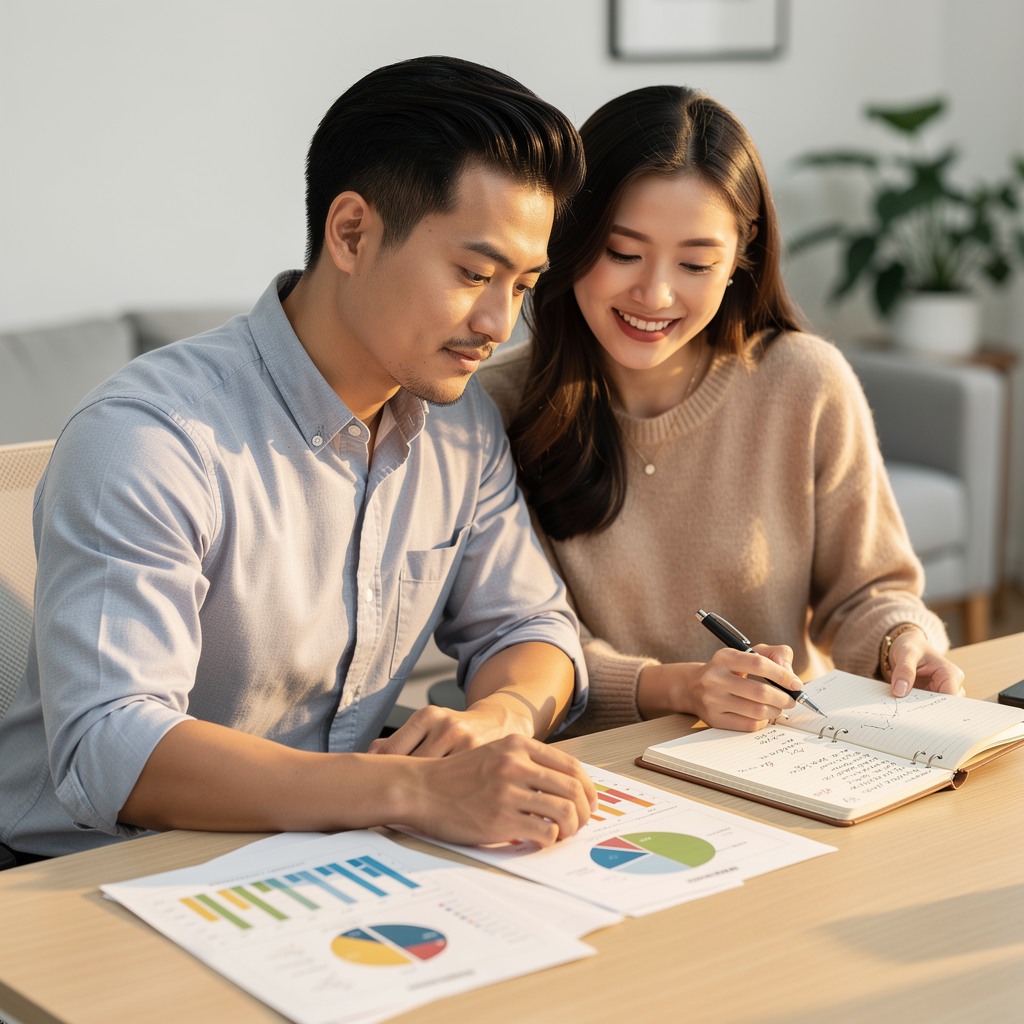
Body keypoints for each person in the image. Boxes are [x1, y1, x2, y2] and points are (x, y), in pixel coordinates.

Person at [0, 55, 598, 866]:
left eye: (523, 284)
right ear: (351, 233)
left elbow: (533, 628)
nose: (500, 322)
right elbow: (111, 745)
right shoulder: (150, 438)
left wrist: (501, 716)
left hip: (320, 851)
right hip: (79, 877)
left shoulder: (460, 428)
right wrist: (416, 792)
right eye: (473, 273)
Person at [478, 84, 965, 736]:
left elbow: (868, 590)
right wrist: (681, 689)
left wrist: (899, 642)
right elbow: (524, 642)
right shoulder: (498, 406)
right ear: (570, 235)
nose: (654, 293)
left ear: (740, 257)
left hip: (783, 749)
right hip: (600, 771)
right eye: (623, 253)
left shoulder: (802, 381)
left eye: (697, 263)